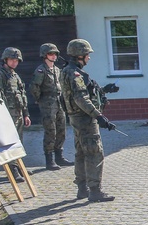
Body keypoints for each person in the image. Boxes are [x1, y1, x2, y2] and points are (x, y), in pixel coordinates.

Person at [60, 39, 117, 202]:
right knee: (94, 152)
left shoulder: (67, 71)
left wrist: (104, 90)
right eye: (87, 55)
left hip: (76, 117)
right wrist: (98, 115)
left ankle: (82, 188)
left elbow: (84, 93)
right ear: (80, 55)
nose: (89, 58)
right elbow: (81, 98)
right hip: (84, 118)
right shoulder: (75, 73)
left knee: (81, 152)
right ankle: (94, 190)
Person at [30, 43, 72, 171]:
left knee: (61, 129)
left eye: (55, 54)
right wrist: (39, 100)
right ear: (44, 55)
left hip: (59, 101)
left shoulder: (57, 70)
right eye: (50, 54)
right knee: (50, 131)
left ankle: (59, 156)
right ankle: (50, 160)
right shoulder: (40, 70)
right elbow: (34, 87)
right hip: (47, 103)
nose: (53, 56)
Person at [0, 47, 31, 180]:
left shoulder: (15, 75)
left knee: (18, 142)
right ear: (5, 60)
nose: (15, 62)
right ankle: (13, 170)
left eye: (17, 60)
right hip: (8, 115)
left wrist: (26, 113)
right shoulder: (0, 75)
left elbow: (22, 95)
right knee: (10, 142)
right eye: (12, 60)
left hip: (19, 113)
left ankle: (20, 167)